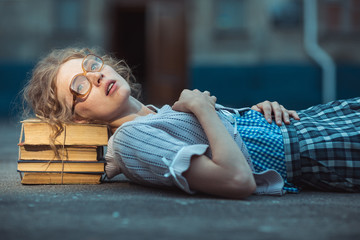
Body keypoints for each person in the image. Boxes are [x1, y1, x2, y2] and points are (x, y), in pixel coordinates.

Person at [22, 47, 360, 199]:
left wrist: (257, 112)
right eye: (78, 86)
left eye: (92, 65)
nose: (94, 77)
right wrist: (202, 107)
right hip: (313, 151)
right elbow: (237, 180)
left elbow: (227, 138)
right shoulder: (129, 140)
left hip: (310, 122)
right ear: (78, 117)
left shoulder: (153, 114)